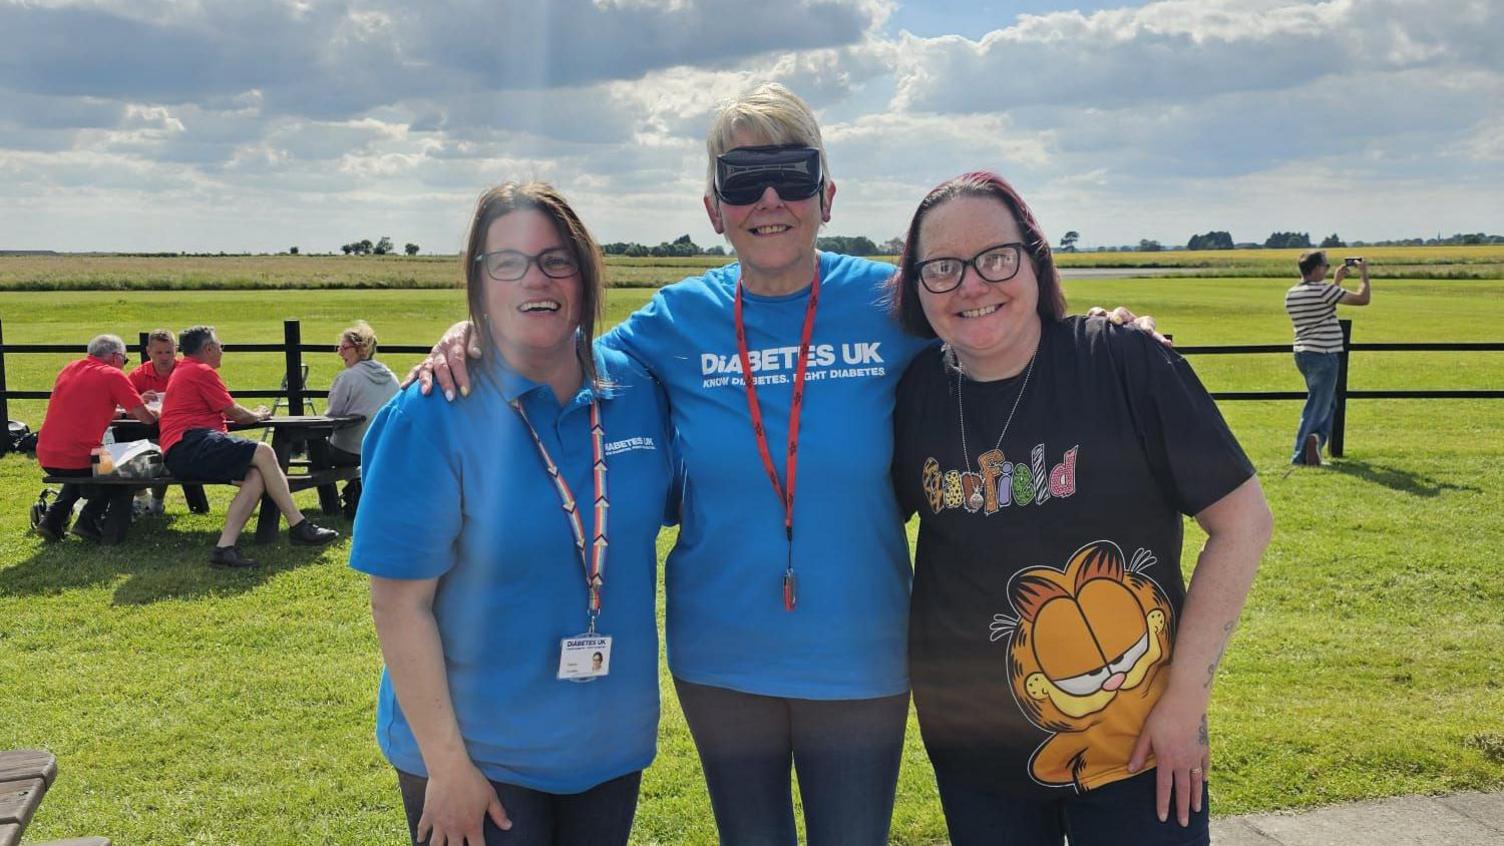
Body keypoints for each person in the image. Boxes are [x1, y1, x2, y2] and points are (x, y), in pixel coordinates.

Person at [411, 85, 1163, 845]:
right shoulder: (676, 321)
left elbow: (996, 319)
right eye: (742, 180)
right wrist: (469, 333)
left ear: (827, 195)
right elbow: (555, 351)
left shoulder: (894, 302)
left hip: (860, 650)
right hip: (722, 654)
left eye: (792, 176)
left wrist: (1104, 333)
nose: (769, 198)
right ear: (714, 209)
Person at [887, 171, 1273, 845]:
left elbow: (1243, 522)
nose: (972, 285)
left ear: (1034, 257)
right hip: (973, 754)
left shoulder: (1121, 362)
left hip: (1143, 746)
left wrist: (1186, 703)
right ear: (917, 286)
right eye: (943, 268)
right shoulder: (914, 392)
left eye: (996, 258)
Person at [349, 182, 675, 846]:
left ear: (585, 275)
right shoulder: (431, 412)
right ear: (479, 280)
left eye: (557, 259)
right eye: (507, 262)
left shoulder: (639, 388)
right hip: (480, 756)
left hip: (608, 748)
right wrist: (447, 766)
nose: (535, 278)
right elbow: (399, 605)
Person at [159, 325, 339, 568]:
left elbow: (223, 411)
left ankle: (225, 548)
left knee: (256, 476)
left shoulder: (185, 370)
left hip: (182, 451)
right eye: (220, 346)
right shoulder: (201, 371)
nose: (223, 350)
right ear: (209, 348)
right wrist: (258, 415)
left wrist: (249, 415)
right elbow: (236, 413)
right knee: (263, 451)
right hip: (190, 443)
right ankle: (299, 526)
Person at [33, 334, 158, 544]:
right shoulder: (112, 375)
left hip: (47, 455)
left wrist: (127, 411)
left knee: (87, 461)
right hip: (81, 457)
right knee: (124, 472)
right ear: (116, 357)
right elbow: (146, 419)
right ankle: (89, 520)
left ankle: (52, 519)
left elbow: (95, 408)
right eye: (125, 361)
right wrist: (158, 412)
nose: (124, 366)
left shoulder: (70, 368)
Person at [1284, 250, 1370, 465]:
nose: (1328, 268)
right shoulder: (1324, 291)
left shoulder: (1292, 292)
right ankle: (1301, 456)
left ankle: (1315, 442)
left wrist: (1337, 281)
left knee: (1327, 403)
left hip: (1303, 353)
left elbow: (1323, 302)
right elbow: (1362, 299)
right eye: (1325, 266)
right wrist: (1364, 275)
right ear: (1315, 269)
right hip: (1324, 354)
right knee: (1317, 406)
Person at [325, 320, 399, 516]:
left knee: (316, 449)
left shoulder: (348, 377)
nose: (339, 352)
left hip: (347, 450)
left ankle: (333, 502)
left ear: (360, 349)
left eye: (343, 347)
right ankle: (357, 489)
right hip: (381, 448)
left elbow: (331, 418)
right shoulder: (391, 377)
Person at [126, 328, 179, 516]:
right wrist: (138, 400)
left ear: (176, 350)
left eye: (169, 352)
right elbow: (121, 407)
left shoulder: (185, 372)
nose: (164, 357)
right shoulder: (138, 375)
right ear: (149, 352)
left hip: (175, 431)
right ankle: (143, 497)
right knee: (132, 455)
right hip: (142, 431)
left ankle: (155, 502)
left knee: (165, 455)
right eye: (159, 352)